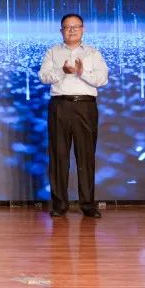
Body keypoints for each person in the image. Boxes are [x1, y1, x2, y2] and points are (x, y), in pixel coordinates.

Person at [38, 13, 109, 218]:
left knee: (85, 157)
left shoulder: (93, 53)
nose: (71, 30)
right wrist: (62, 72)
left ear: (82, 29)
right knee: (59, 156)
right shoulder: (53, 52)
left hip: (85, 106)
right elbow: (43, 77)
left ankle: (87, 205)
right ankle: (59, 205)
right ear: (61, 30)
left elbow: (102, 79)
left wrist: (81, 72)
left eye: (75, 27)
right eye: (67, 27)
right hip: (60, 106)